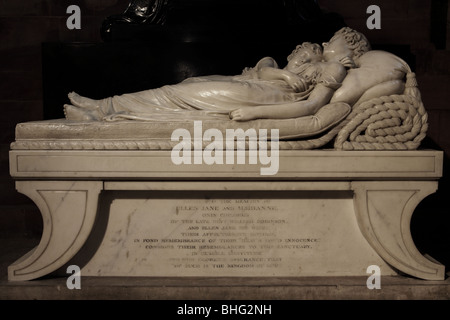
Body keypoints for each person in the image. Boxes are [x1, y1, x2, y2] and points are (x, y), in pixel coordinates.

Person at [63, 42, 346, 122]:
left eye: (309, 58)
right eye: (301, 55)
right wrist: (286, 73)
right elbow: (266, 70)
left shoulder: (328, 68)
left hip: (263, 96)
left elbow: (312, 105)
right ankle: (103, 106)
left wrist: (256, 111)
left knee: (171, 95)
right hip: (249, 85)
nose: (303, 61)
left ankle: (100, 111)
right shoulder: (272, 64)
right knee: (180, 90)